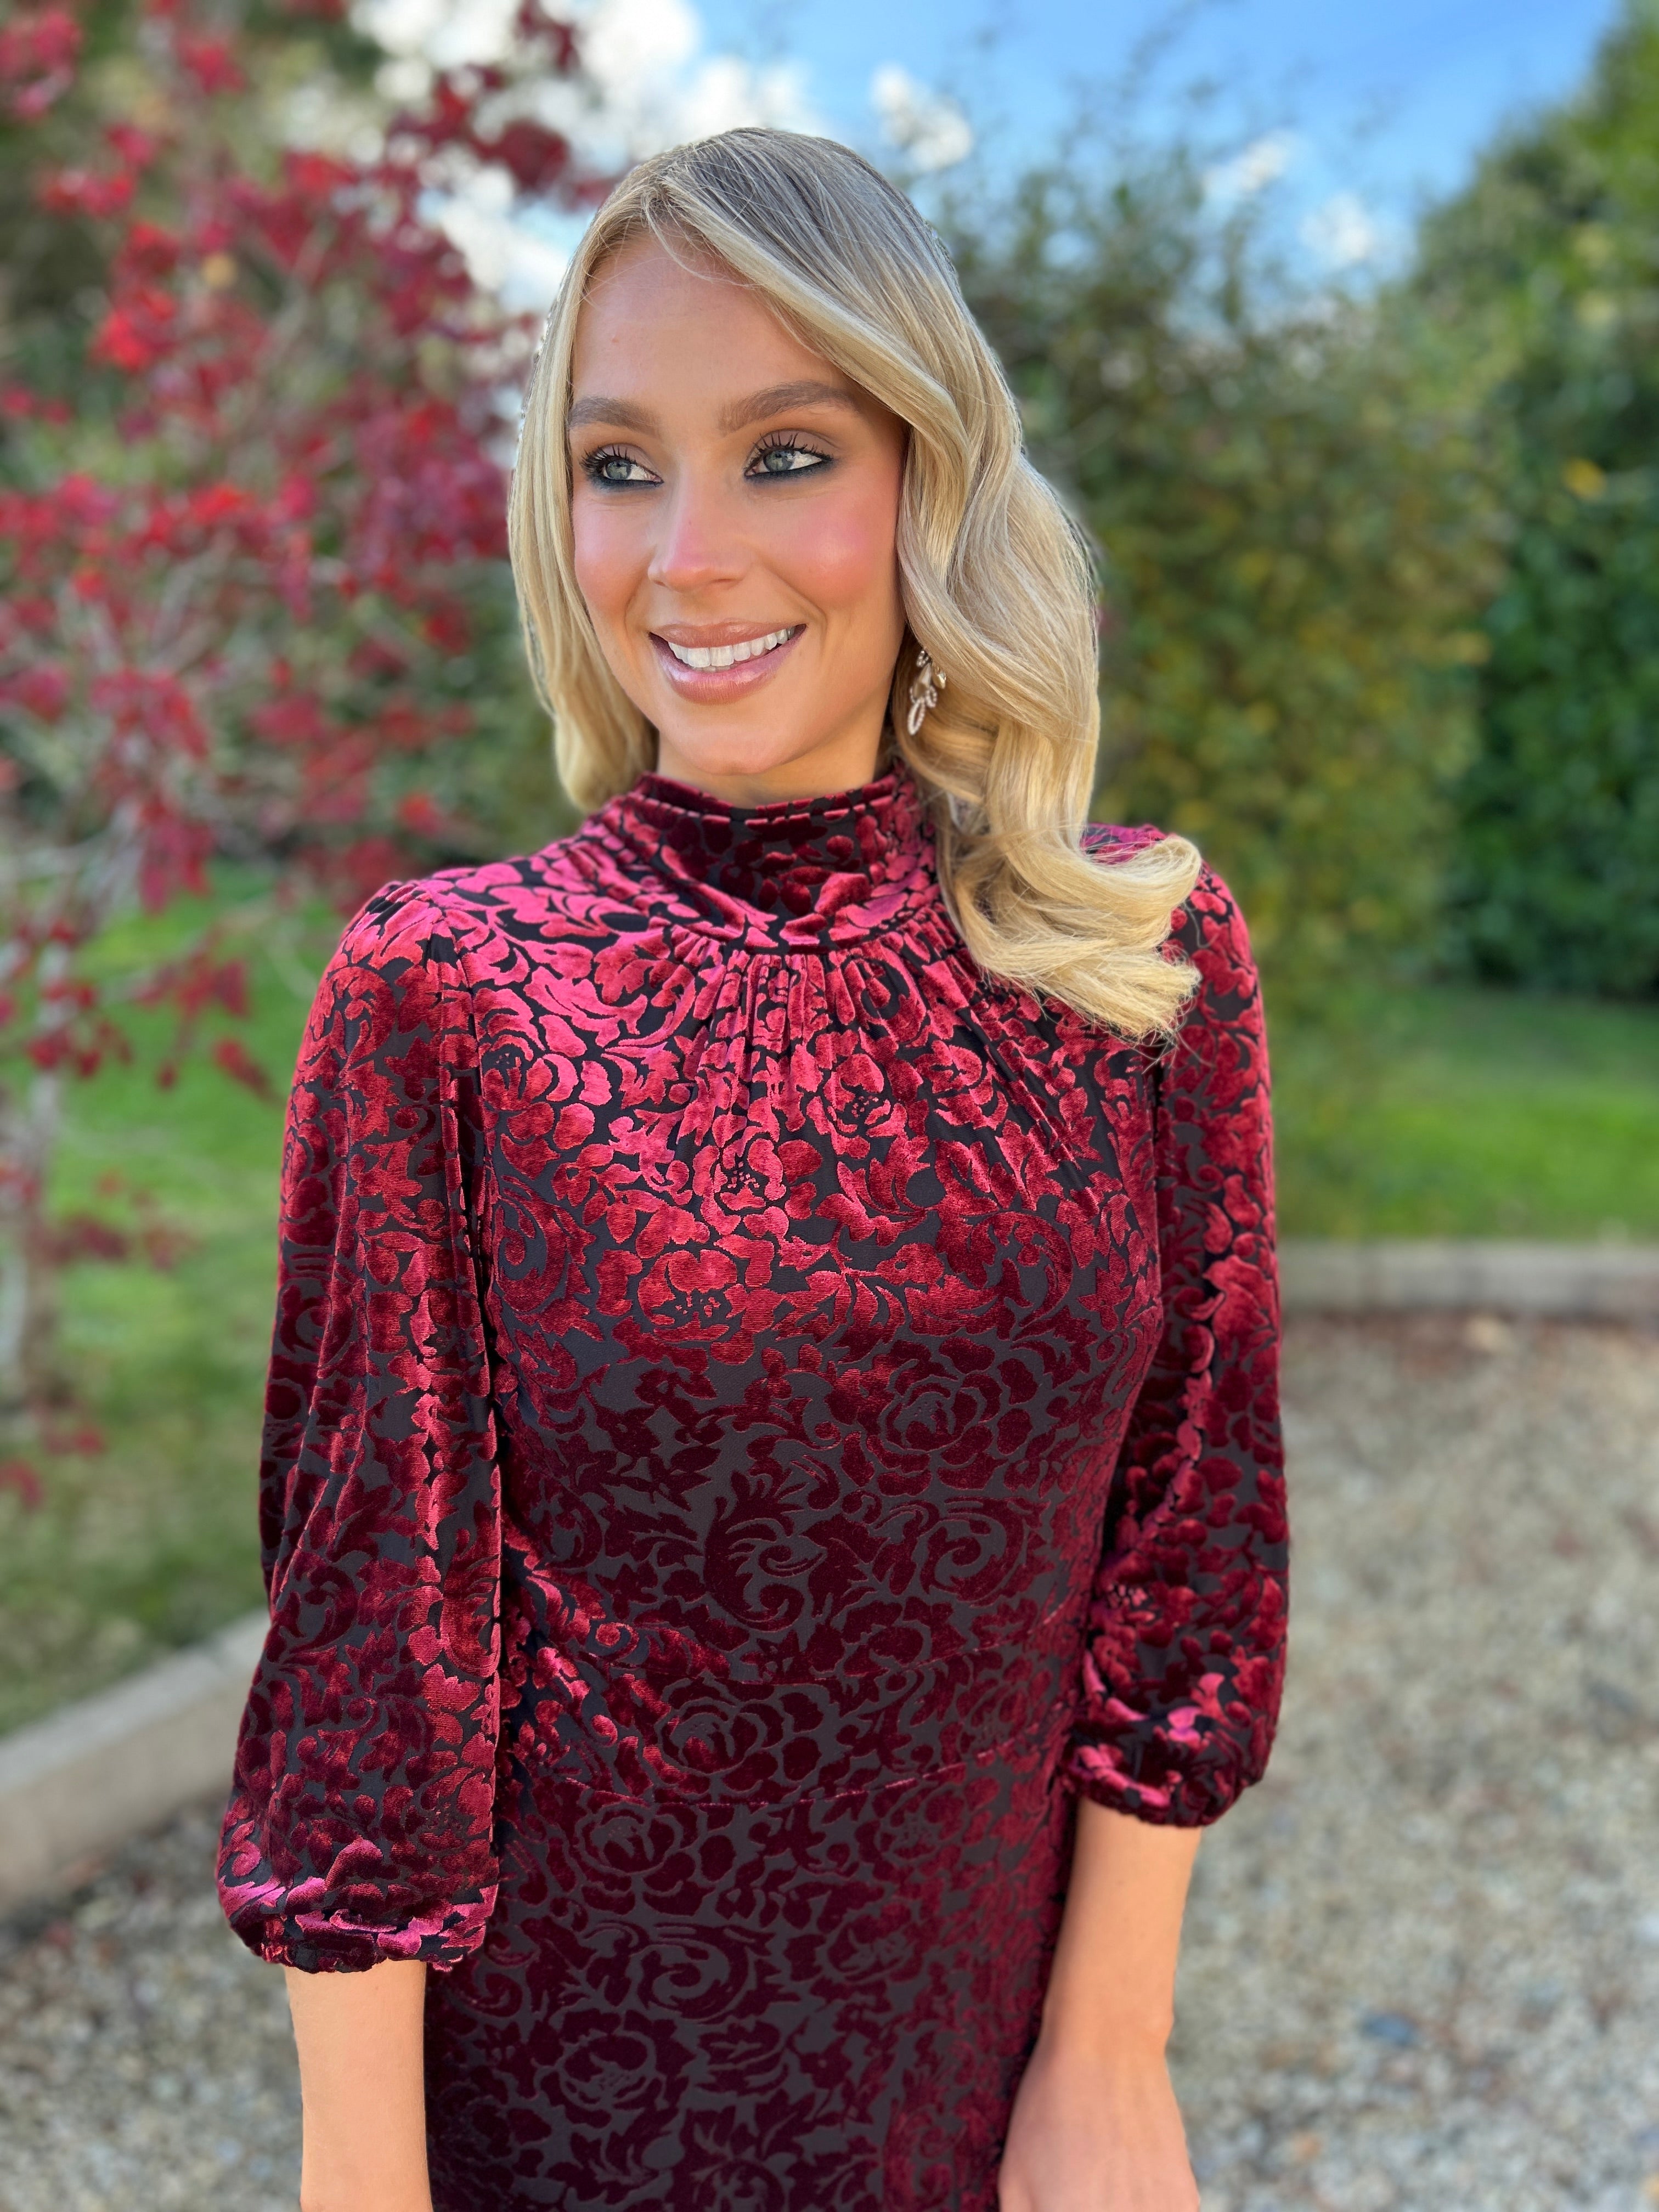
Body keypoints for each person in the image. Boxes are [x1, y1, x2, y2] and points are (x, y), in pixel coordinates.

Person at [217, 126, 1286, 2212]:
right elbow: (369, 1659)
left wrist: (1111, 2058)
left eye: (786, 454)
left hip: (995, 2100)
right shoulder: (455, 992)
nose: (687, 555)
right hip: (564, 2126)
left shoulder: (1139, 962)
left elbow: (1191, 1543)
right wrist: (363, 2183)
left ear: (929, 479)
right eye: (620, 465)